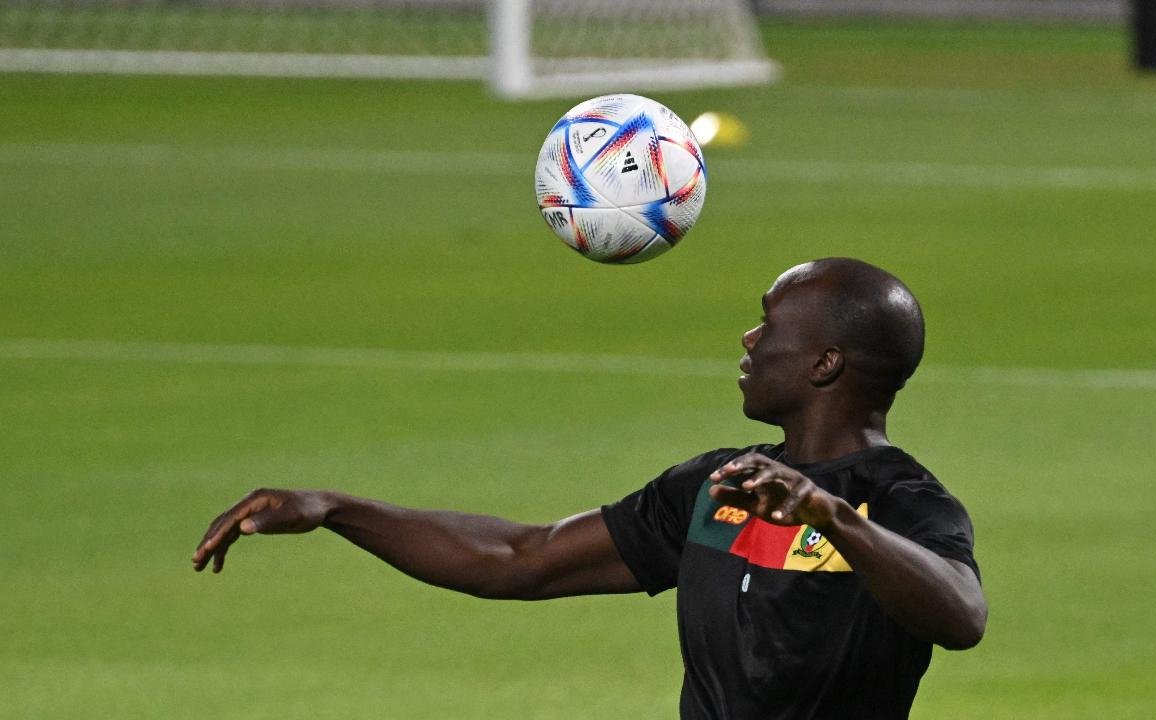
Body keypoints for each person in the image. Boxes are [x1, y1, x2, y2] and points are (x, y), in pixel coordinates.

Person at [192, 257, 987, 720]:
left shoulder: (905, 502)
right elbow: (519, 557)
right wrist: (338, 509)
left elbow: (959, 614)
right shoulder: (718, 487)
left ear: (825, 364)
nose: (749, 339)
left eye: (770, 322)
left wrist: (831, 518)